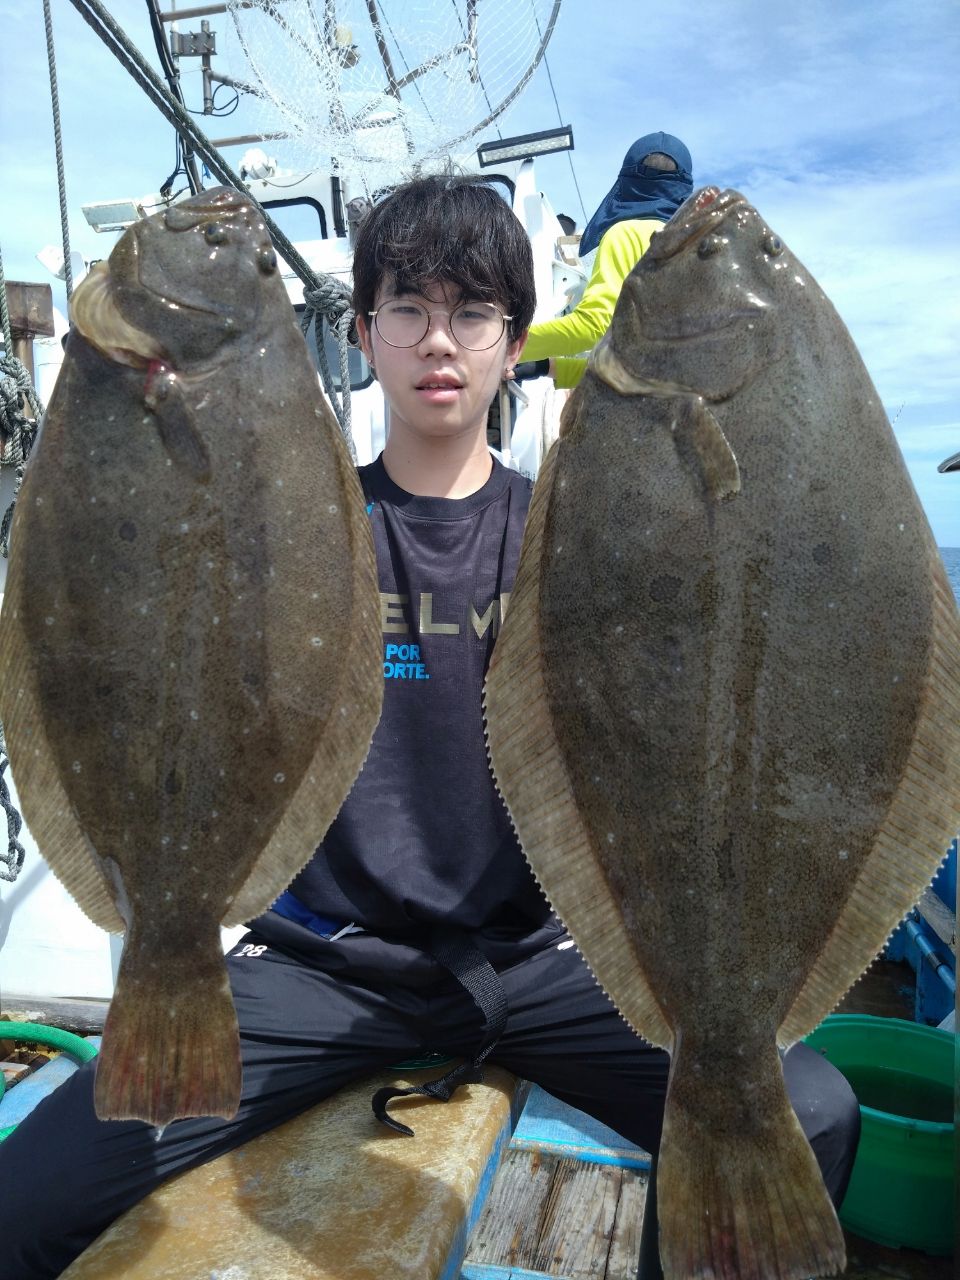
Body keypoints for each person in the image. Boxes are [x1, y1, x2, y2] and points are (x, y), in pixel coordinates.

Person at [0, 176, 859, 1279]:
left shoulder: (577, 529)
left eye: (474, 312)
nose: (439, 340)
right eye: (407, 307)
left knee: (814, 1111)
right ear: (362, 335)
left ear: (514, 342)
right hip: (329, 968)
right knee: (25, 1198)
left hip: (546, 960)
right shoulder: (295, 516)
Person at [513, 131, 693, 388]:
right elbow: (653, 372)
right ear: (686, 184)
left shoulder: (626, 234)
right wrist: (547, 367)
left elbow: (594, 327)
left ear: (628, 178)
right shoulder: (704, 244)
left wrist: (504, 345)